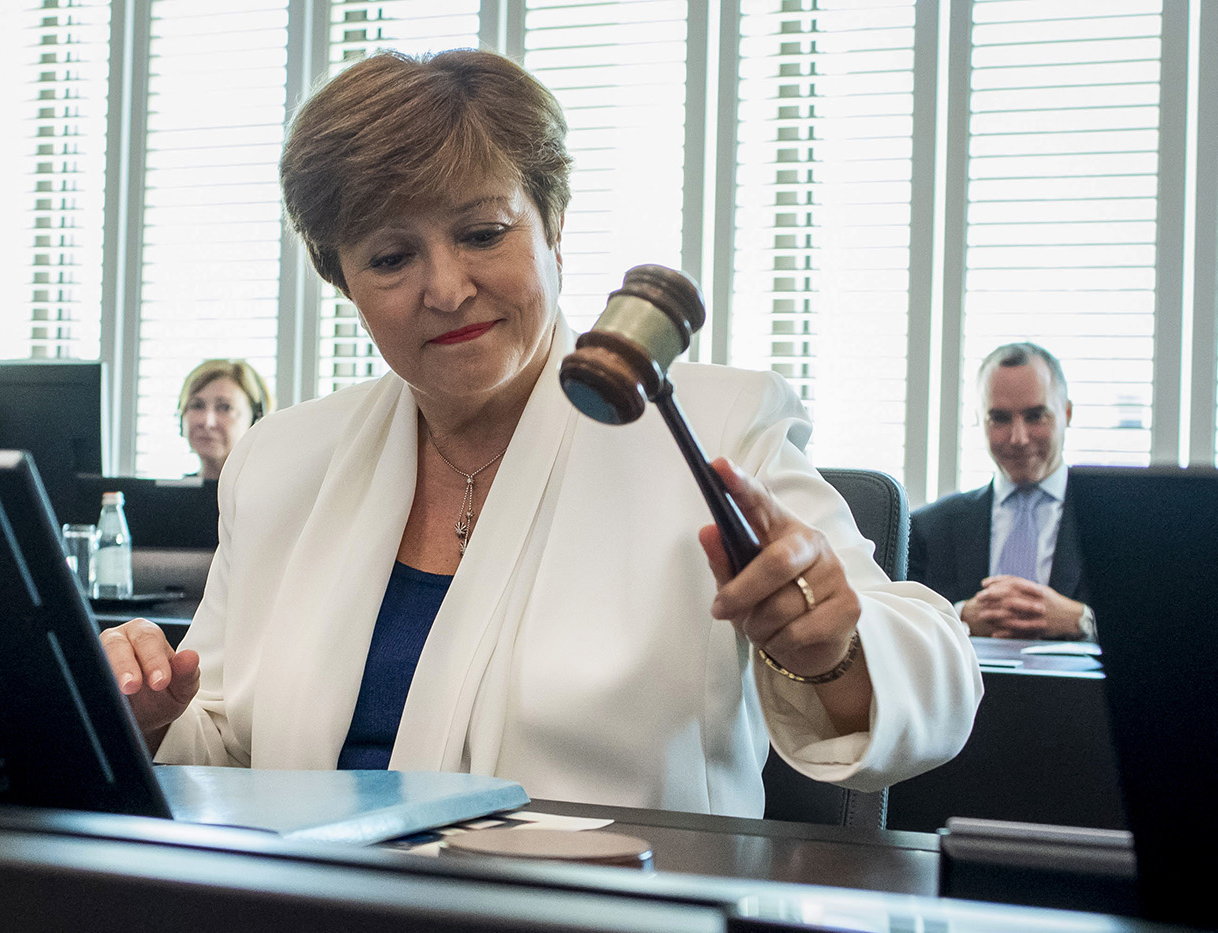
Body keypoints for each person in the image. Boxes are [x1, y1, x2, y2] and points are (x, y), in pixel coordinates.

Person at [101, 49, 982, 818]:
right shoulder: (282, 461)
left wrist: (834, 650)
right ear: (343, 280)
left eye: (483, 232)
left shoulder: (711, 428)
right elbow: (219, 749)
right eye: (390, 256)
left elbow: (938, 671)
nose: (446, 288)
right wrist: (145, 709)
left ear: (553, 225)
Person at [908, 342, 1094, 640]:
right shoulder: (926, 530)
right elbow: (897, 627)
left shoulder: (1122, 523)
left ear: (1067, 414)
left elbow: (1157, 628)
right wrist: (959, 618)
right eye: (1000, 418)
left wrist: (1082, 621)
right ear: (979, 420)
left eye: (1035, 416)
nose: (1018, 438)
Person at [177, 359, 274, 480]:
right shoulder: (167, 496)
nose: (208, 423)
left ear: (255, 420)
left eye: (225, 407)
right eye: (197, 405)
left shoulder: (273, 494)